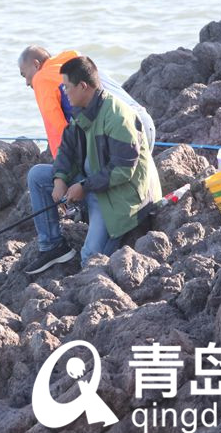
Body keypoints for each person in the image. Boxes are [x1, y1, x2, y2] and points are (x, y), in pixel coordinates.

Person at [24, 56, 161, 274]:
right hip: (96, 186)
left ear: (83, 86)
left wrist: (84, 187)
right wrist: (60, 178)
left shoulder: (118, 117)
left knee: (90, 258)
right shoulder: (81, 110)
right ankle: (52, 246)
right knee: (38, 177)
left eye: (67, 88)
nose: (64, 93)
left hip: (122, 197)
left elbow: (123, 169)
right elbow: (66, 148)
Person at [17, 45, 155, 157]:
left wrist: (61, 173)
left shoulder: (42, 78)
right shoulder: (77, 59)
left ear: (36, 64)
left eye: (24, 75)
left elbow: (58, 131)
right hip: (145, 122)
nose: (27, 83)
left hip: (122, 131)